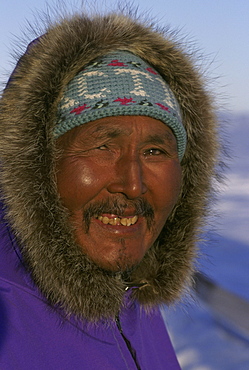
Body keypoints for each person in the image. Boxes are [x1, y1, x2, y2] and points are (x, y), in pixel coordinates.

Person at [0, 7, 220, 369]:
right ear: (35, 167)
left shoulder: (131, 291)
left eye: (155, 151)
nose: (133, 185)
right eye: (103, 147)